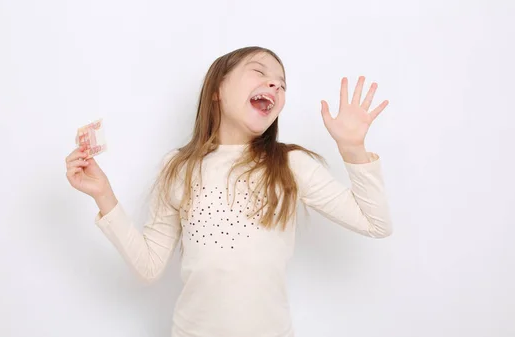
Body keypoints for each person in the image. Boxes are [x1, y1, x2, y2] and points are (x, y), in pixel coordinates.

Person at [65, 46, 393, 337]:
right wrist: (103, 194)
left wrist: (353, 149)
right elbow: (148, 266)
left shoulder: (291, 163)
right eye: (259, 72)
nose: (275, 85)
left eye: (281, 83)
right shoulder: (178, 167)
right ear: (217, 89)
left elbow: (374, 223)